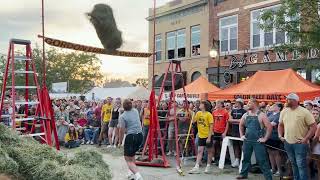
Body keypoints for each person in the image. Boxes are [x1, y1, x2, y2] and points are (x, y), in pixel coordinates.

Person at [278, 93, 317, 180]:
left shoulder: (304, 111)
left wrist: (306, 138)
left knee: (301, 165)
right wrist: (280, 135)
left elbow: (313, 126)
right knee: (293, 164)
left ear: (295, 101)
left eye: (289, 99)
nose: (287, 101)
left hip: (300, 144)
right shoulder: (284, 111)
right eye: (287, 99)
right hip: (287, 142)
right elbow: (280, 125)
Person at [237, 98, 273, 180]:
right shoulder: (246, 114)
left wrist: (265, 138)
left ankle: (268, 177)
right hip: (247, 140)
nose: (247, 104)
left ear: (255, 104)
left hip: (258, 141)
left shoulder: (261, 115)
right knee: (245, 158)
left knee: (262, 160)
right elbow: (241, 125)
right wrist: (242, 135)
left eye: (249, 103)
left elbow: (269, 127)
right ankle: (243, 174)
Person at [118, 99, 143, 180]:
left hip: (131, 137)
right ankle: (131, 172)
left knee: (127, 159)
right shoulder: (135, 111)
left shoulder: (122, 116)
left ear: (123, 106)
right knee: (132, 155)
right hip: (140, 135)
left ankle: (138, 176)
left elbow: (122, 130)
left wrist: (120, 141)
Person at [189, 101, 214, 174]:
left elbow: (211, 126)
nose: (199, 105)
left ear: (204, 106)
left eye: (201, 104)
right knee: (200, 151)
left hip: (208, 135)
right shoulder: (198, 113)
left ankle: (208, 166)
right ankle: (196, 166)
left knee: (209, 151)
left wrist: (209, 137)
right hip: (201, 135)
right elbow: (193, 121)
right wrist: (191, 113)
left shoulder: (209, 114)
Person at [266, 102, 283, 177]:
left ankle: (279, 170)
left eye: (274, 105)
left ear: (279, 107)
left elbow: (273, 124)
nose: (272, 106)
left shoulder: (279, 115)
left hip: (275, 136)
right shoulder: (269, 114)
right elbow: (264, 122)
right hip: (268, 135)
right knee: (269, 152)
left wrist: (266, 124)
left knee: (276, 153)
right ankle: (273, 168)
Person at [229, 98, 247, 168]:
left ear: (240, 103)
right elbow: (229, 120)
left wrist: (235, 120)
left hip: (241, 131)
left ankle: (243, 160)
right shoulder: (232, 111)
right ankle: (237, 160)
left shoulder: (244, 111)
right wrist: (238, 120)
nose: (235, 103)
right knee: (235, 145)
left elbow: (243, 121)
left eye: (236, 102)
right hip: (234, 130)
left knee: (242, 146)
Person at [211, 100, 229, 164]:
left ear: (221, 104)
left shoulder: (225, 112)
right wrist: (212, 130)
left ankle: (223, 159)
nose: (217, 104)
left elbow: (227, 123)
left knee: (222, 145)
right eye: (216, 103)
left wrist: (225, 132)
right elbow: (212, 122)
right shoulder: (214, 112)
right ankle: (213, 158)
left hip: (222, 131)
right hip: (215, 130)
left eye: (218, 103)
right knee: (213, 144)